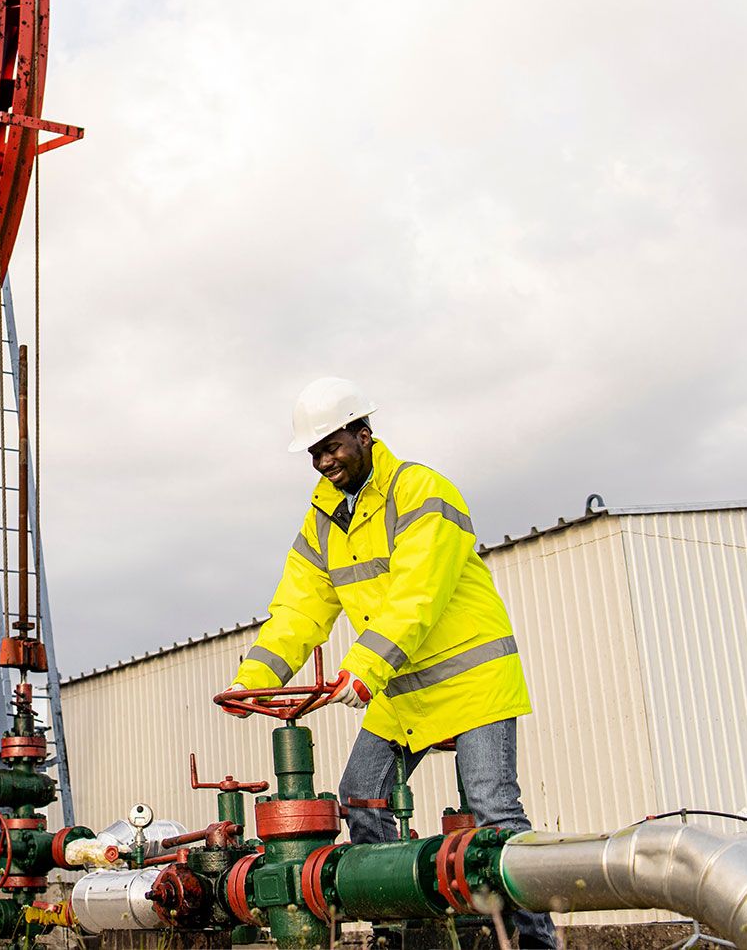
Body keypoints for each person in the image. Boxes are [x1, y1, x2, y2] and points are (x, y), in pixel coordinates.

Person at [229, 377, 556, 948]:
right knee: (360, 799)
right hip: (400, 691)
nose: (324, 461)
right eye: (314, 453)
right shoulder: (324, 519)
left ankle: (535, 943)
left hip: (471, 680)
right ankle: (413, 930)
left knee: (492, 811)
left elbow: (417, 594)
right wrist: (253, 681)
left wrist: (363, 667)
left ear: (364, 432)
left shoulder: (422, 489)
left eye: (332, 445)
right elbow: (299, 608)